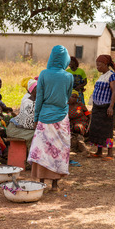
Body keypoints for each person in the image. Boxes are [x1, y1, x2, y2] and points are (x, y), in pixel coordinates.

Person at [27, 45, 73, 191]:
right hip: (61, 118)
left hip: (45, 117)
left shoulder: (44, 74)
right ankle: (55, 185)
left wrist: (36, 117)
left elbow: (39, 97)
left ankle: (41, 181)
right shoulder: (68, 76)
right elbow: (67, 96)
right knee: (58, 149)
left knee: (42, 149)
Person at [88, 55, 115, 160]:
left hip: (106, 107)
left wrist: (111, 106)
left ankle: (110, 154)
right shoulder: (102, 76)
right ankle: (99, 151)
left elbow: (114, 91)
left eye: (99, 64)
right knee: (97, 129)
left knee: (107, 131)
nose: (97, 67)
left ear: (105, 64)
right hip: (97, 107)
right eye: (96, 64)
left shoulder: (112, 76)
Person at [6, 79, 37, 150]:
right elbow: (27, 124)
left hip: (22, 128)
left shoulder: (35, 101)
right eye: (37, 89)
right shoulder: (28, 103)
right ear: (32, 91)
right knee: (35, 135)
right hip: (14, 129)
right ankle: (31, 158)